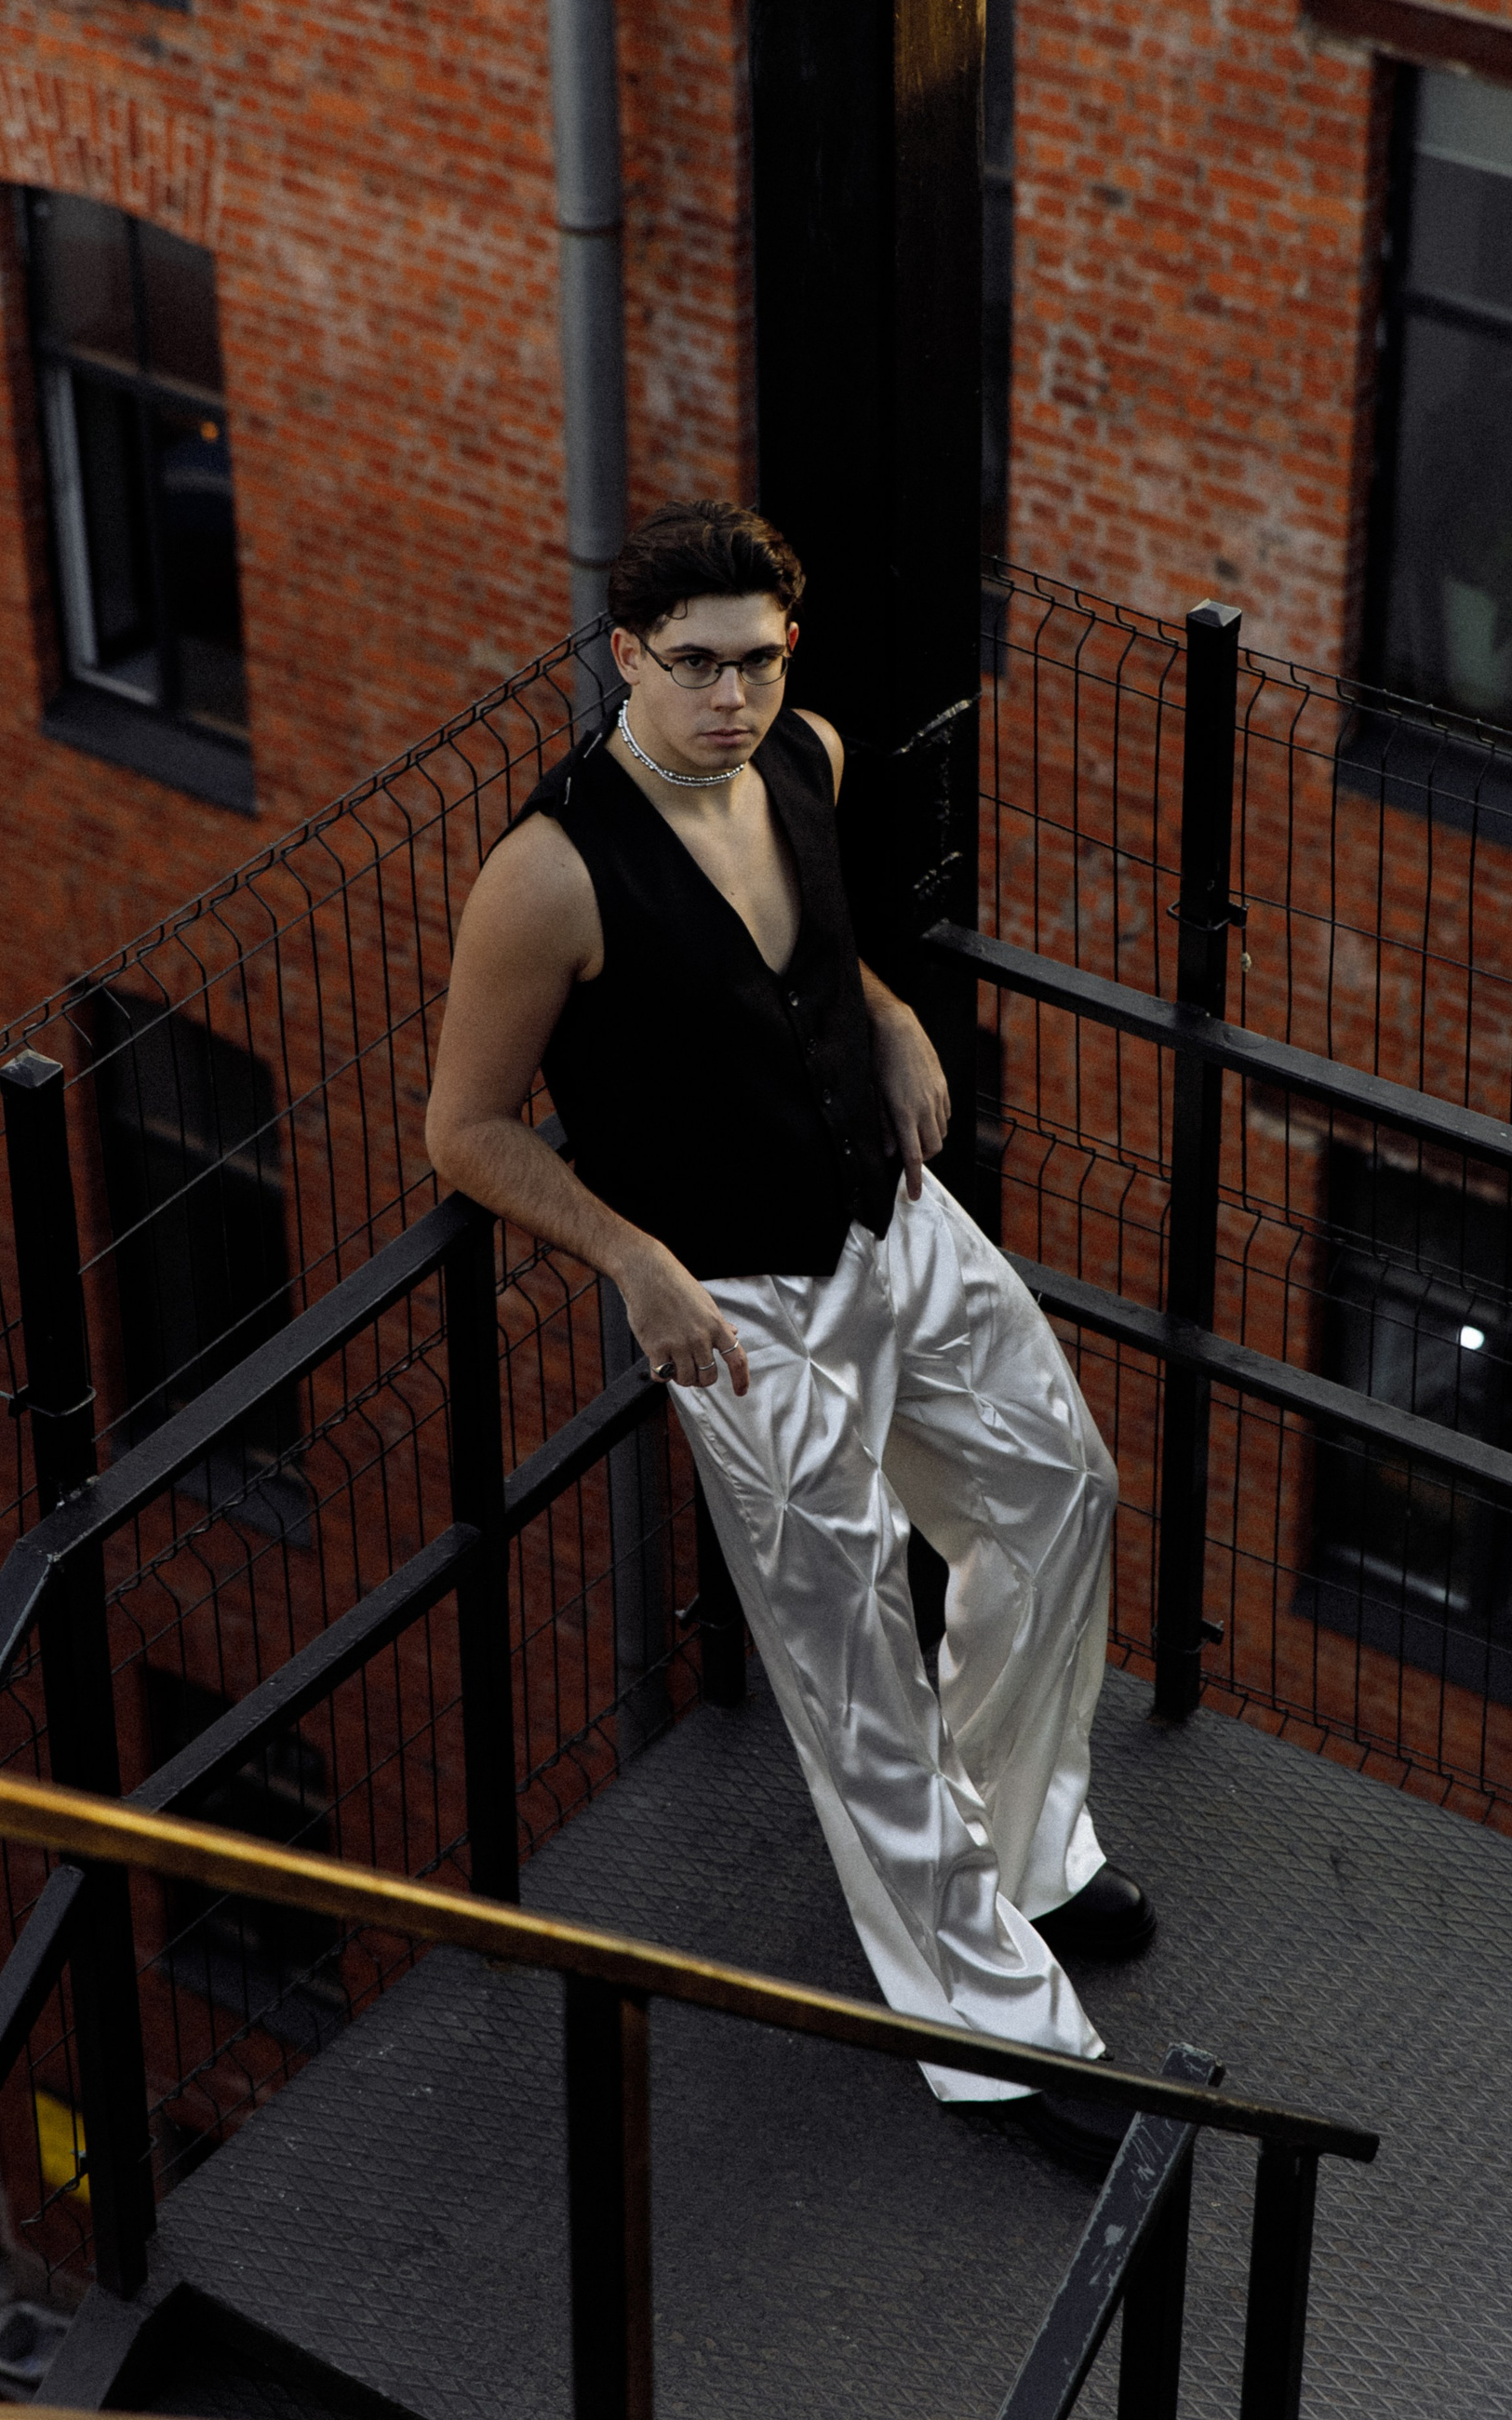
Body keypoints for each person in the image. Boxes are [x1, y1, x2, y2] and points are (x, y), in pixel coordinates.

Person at [425, 501, 1155, 2169]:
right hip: (736, 1310)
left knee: (1062, 1490)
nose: (730, 697)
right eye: (695, 666)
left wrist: (890, 1017)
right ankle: (989, 2032)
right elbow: (463, 1131)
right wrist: (631, 1260)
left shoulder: (806, 757)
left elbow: (811, 961)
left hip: (896, 1225)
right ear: (626, 657)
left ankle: (1022, 1849)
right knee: (855, 1665)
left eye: (755, 662)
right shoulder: (549, 875)